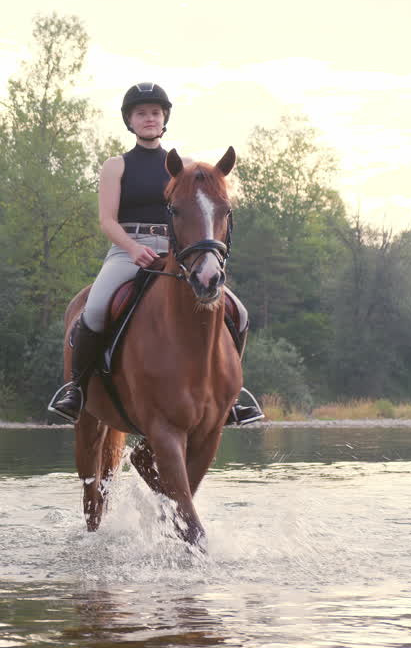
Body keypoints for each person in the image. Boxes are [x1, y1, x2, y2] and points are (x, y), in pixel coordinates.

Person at [47, 83, 263, 426]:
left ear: (164, 119)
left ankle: (233, 396)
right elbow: (107, 220)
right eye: (141, 113)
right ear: (130, 121)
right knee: (97, 308)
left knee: (238, 312)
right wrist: (134, 249)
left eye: (155, 113)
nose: (149, 118)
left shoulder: (187, 166)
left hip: (180, 251)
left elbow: (202, 214)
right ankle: (77, 390)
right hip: (127, 250)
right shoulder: (116, 166)